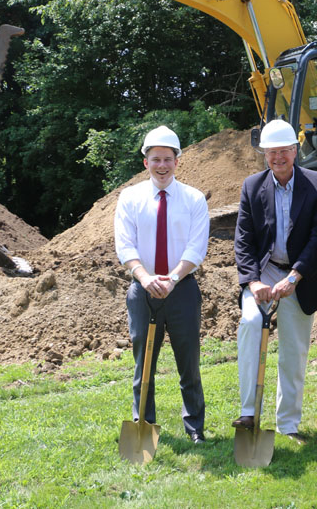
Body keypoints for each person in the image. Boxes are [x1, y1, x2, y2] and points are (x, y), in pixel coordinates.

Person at [232, 119, 317, 443]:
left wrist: (295, 276)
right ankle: (250, 412)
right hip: (264, 273)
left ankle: (288, 424)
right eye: (272, 153)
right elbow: (243, 240)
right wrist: (252, 282)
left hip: (299, 276)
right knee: (249, 324)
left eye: (284, 151)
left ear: (294, 151)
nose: (278, 158)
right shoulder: (251, 186)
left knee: (294, 349)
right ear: (264, 155)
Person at [114, 125, 210, 444]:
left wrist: (171, 279)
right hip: (143, 291)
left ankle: (195, 426)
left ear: (177, 161)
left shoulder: (194, 199)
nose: (162, 166)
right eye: (155, 159)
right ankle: (143, 424)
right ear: (146, 163)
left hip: (181, 290)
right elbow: (125, 246)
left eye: (168, 159)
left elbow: (196, 248)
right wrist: (146, 278)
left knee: (188, 362)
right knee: (144, 363)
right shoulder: (130, 198)